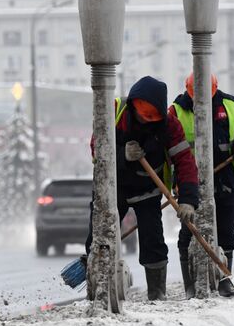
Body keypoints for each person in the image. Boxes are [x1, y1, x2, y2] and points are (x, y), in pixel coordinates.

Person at [84, 76, 198, 301]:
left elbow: (184, 161)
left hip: (148, 189)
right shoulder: (114, 110)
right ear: (133, 104)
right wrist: (122, 153)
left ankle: (157, 292)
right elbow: (97, 148)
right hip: (112, 188)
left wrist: (188, 199)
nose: (146, 121)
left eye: (151, 117)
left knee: (153, 239)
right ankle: (98, 288)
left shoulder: (169, 125)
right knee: (99, 236)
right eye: (142, 115)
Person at [168, 72, 234, 298]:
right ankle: (190, 284)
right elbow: (167, 144)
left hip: (224, 177)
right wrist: (176, 184)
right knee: (188, 233)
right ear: (188, 91)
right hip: (190, 181)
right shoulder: (176, 110)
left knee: (226, 231)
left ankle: (226, 279)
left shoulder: (230, 105)